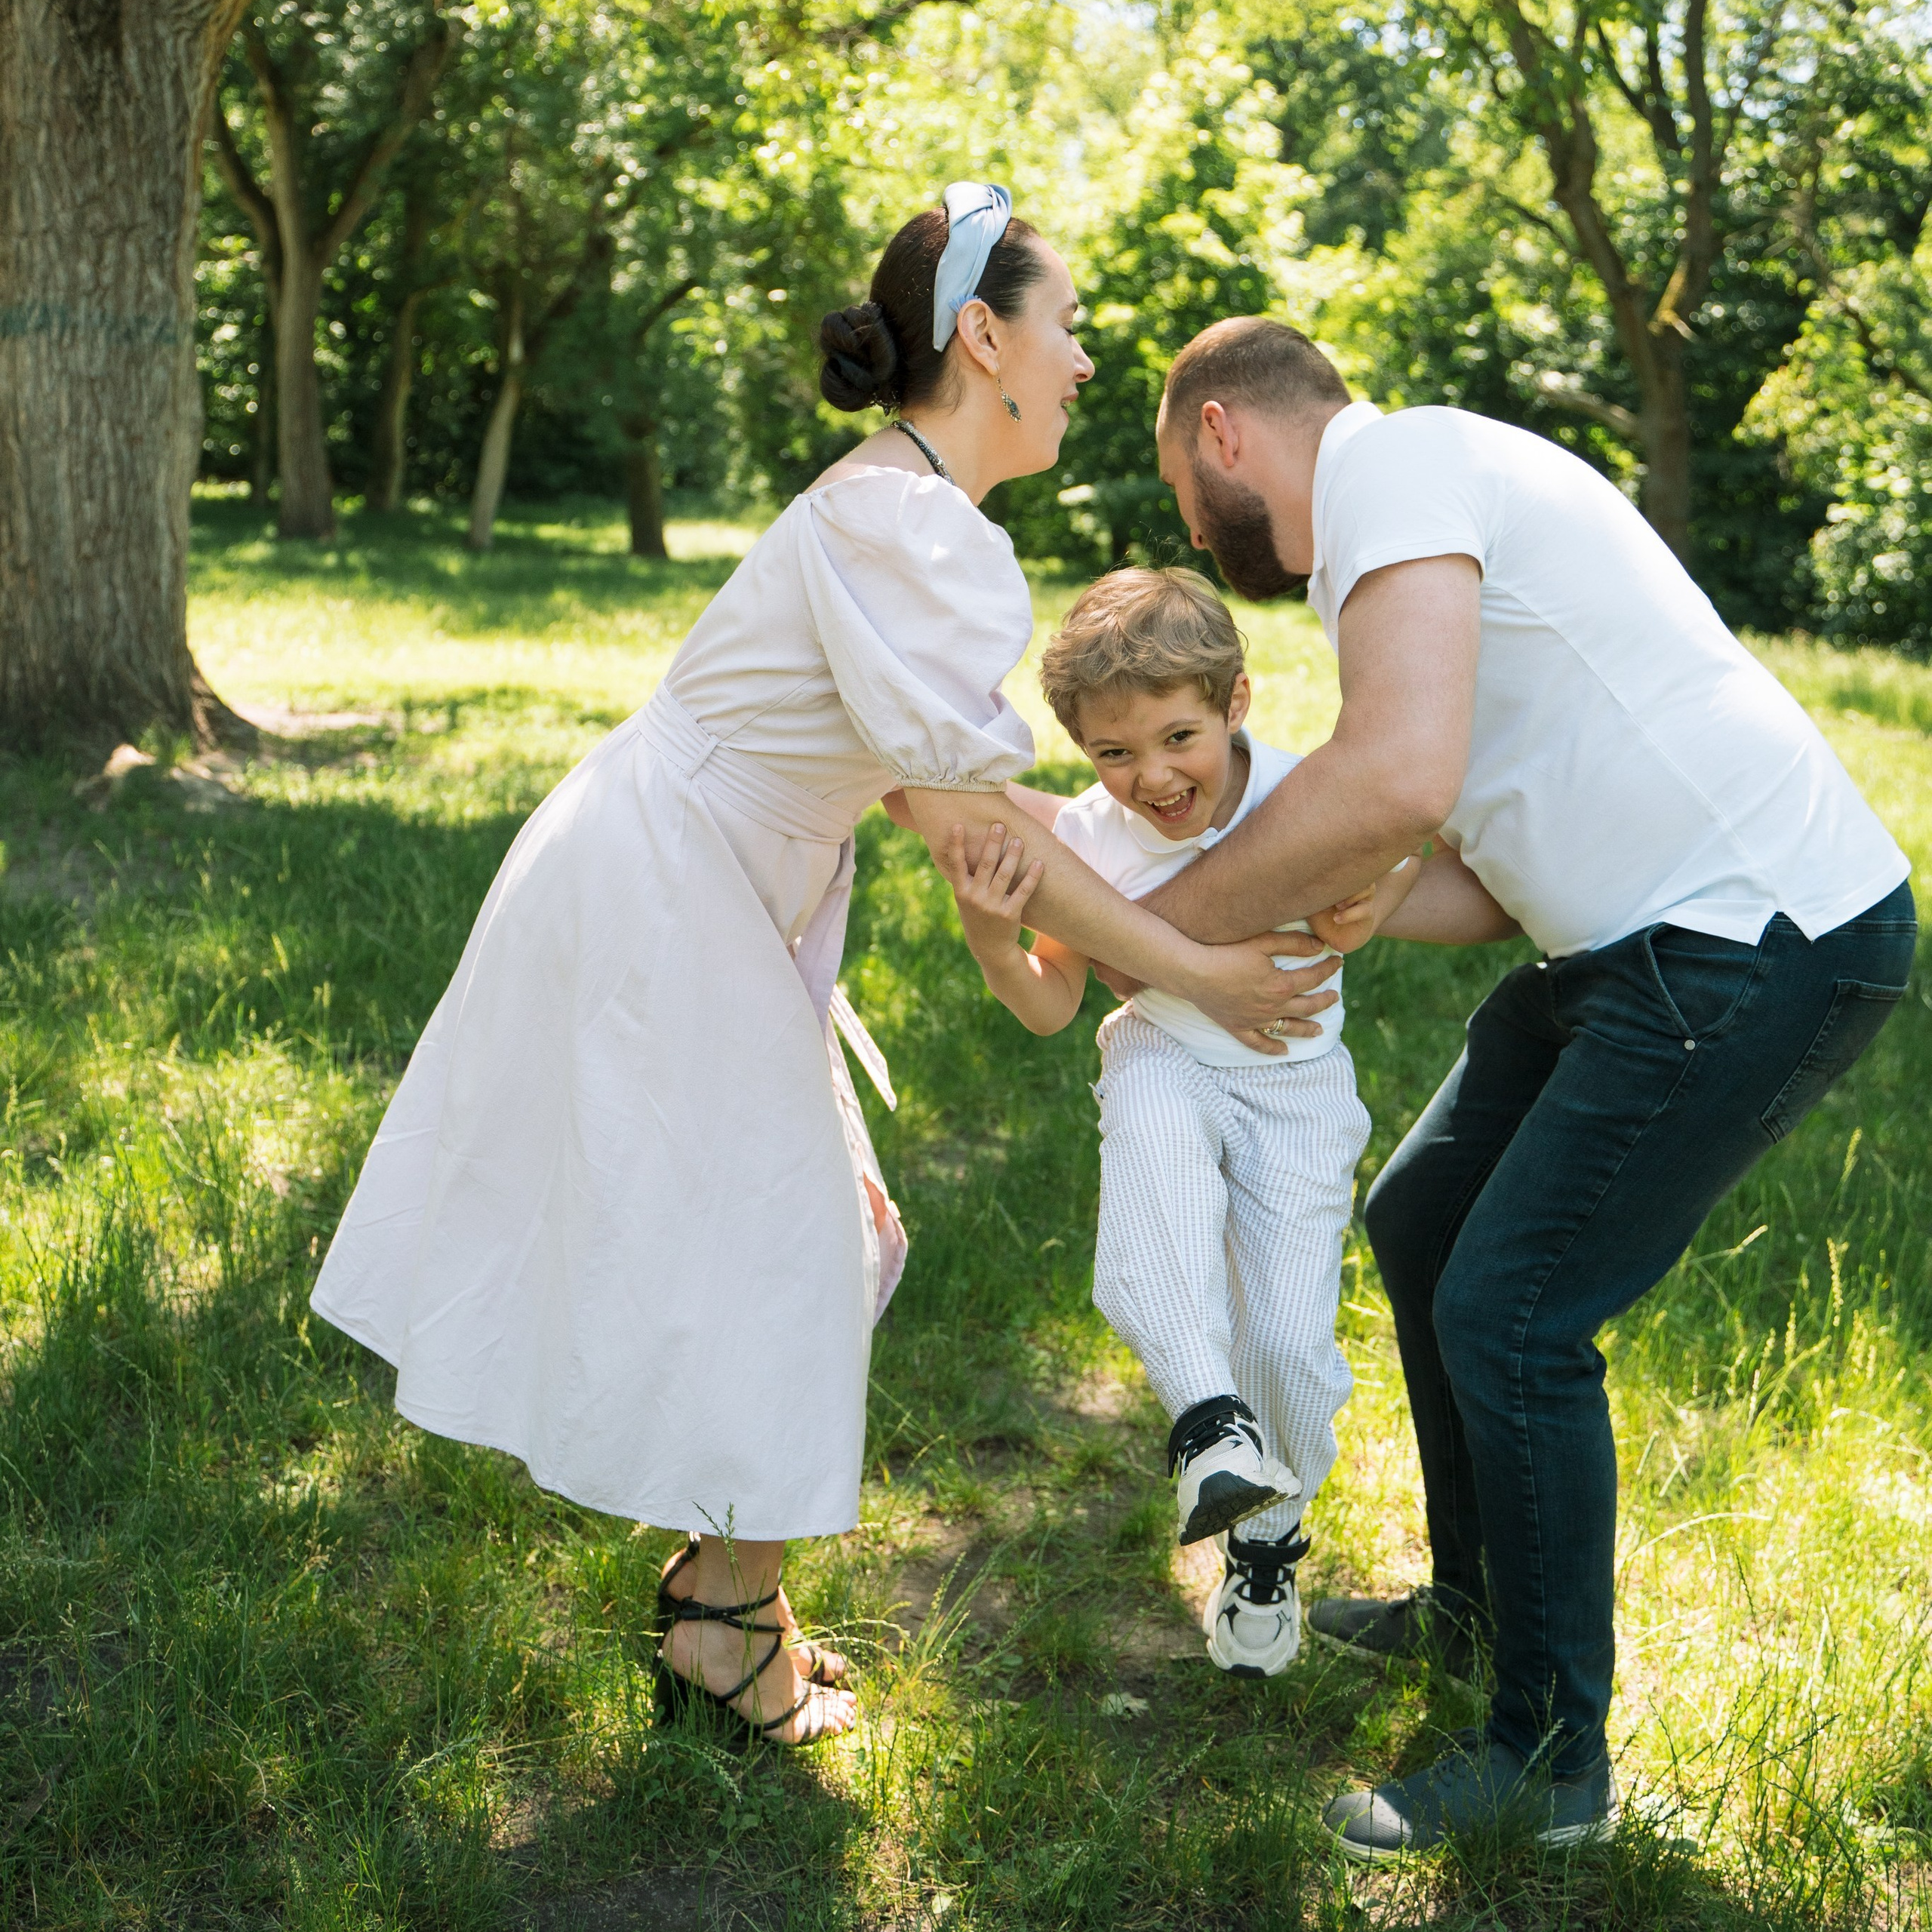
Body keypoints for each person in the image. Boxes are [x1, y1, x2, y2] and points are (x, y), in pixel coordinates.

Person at [306, 194, 1341, 1749]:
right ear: (983, 338)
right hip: (663, 887)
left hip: (718, 880)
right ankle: (723, 1624)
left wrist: (1092, 927)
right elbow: (972, 810)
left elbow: (959, 812)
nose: (1076, 361)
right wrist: (1192, 963)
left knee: (812, 1230)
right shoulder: (903, 520)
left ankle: (731, 1592)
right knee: (784, 1239)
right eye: (1060, 327)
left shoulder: (912, 515)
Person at [1124, 316, 1913, 1855]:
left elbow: (1394, 780)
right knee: (1425, 1218)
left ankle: (1548, 1756)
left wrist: (1149, 928)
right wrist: (1343, 899)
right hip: (1636, 944)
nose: (1187, 531)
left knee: (1512, 1304)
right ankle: (1474, 1608)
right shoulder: (1420, 517)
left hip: (1749, 937)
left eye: (1175, 487)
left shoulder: (1391, 467)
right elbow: (1474, 866)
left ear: (1222, 433)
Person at [938, 565, 1508, 1679]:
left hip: (1297, 1094)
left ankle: (1264, 1540)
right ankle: (1205, 1419)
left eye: (1177, 737)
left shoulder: (1310, 796)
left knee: (1291, 1345)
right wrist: (995, 939)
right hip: (1166, 1054)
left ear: (1238, 701)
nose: (1151, 776)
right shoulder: (1093, 843)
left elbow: (1430, 832)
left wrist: (1385, 890)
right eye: (1113, 754)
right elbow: (1055, 1008)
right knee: (1145, 1110)